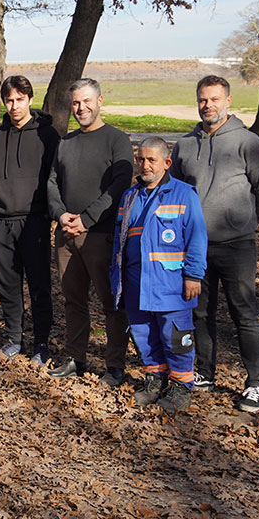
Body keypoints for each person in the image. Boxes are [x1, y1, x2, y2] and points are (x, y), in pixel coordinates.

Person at [170, 75, 259, 412]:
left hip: (236, 245)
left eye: (215, 99)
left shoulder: (248, 143)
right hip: (195, 249)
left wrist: (245, 221)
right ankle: (204, 372)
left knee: (243, 313)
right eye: (203, 99)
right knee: (200, 313)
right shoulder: (186, 145)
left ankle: (255, 384)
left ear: (228, 101)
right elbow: (174, 192)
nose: (208, 105)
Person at [45, 78, 133, 385]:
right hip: (66, 234)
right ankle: (76, 358)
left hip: (101, 235)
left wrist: (88, 218)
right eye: (75, 103)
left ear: (99, 101)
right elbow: (52, 183)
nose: (81, 108)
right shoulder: (66, 142)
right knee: (73, 300)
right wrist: (61, 215)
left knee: (111, 303)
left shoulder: (116, 140)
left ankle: (115, 364)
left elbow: (120, 185)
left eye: (86, 102)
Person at [110, 137, 207, 412]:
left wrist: (193, 275)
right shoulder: (130, 196)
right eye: (140, 159)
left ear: (166, 162)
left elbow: (197, 238)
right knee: (144, 335)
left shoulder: (184, 193)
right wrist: (115, 276)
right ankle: (155, 379)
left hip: (171, 283)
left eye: (151, 160)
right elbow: (120, 241)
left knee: (175, 336)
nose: (145, 165)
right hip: (135, 283)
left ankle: (180, 386)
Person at [0, 75, 59, 361]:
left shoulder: (47, 136)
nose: (14, 106)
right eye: (9, 100)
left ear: (29, 99)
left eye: (19, 99)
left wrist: (47, 215)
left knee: (39, 286)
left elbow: (54, 178)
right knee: (7, 286)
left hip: (33, 220)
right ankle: (14, 337)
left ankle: (41, 343)